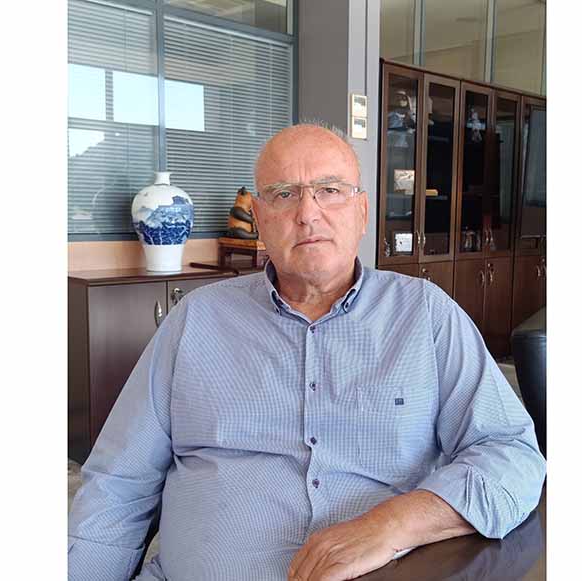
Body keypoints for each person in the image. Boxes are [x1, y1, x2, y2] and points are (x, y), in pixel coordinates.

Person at [68, 124, 546, 581]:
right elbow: (117, 483)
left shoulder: (425, 316)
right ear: (259, 219)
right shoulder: (195, 320)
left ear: (362, 212)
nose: (308, 213)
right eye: (284, 194)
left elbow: (512, 455)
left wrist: (394, 523)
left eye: (330, 190)